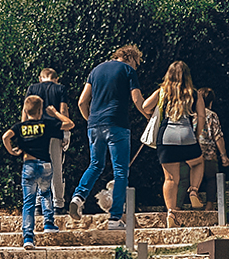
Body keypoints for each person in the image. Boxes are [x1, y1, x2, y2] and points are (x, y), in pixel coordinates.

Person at [70, 44, 146, 230]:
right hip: (117, 125)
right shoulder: (128, 70)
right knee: (120, 171)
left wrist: (91, 120)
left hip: (94, 124)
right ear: (131, 58)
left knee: (95, 165)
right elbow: (137, 99)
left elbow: (82, 101)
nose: (136, 67)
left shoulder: (95, 70)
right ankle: (114, 219)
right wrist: (150, 117)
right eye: (137, 63)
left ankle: (78, 197)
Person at [2, 94, 75, 251]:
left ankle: (28, 237)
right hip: (45, 165)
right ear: (41, 110)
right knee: (46, 194)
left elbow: (5, 136)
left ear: (25, 110)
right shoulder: (46, 124)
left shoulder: (20, 127)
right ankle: (48, 222)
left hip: (29, 164)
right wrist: (55, 113)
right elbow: (69, 124)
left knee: (29, 201)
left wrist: (12, 151)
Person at [140, 61, 208, 213]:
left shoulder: (162, 91)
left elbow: (145, 106)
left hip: (166, 136)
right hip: (187, 134)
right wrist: (197, 134)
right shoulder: (194, 94)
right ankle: (193, 190)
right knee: (197, 163)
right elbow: (202, 116)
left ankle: (171, 213)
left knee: (171, 178)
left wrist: (151, 115)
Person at [28, 67, 71, 211]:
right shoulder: (60, 89)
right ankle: (58, 203)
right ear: (56, 79)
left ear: (40, 78)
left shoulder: (32, 88)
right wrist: (66, 132)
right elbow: (63, 110)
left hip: (36, 131)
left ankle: (38, 204)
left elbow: (25, 111)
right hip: (54, 130)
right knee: (56, 168)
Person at [195, 86, 229, 206]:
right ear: (210, 102)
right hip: (209, 152)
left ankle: (194, 202)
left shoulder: (192, 115)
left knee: (194, 179)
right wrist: (224, 155)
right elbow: (217, 135)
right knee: (211, 179)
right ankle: (209, 205)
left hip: (194, 151)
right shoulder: (211, 115)